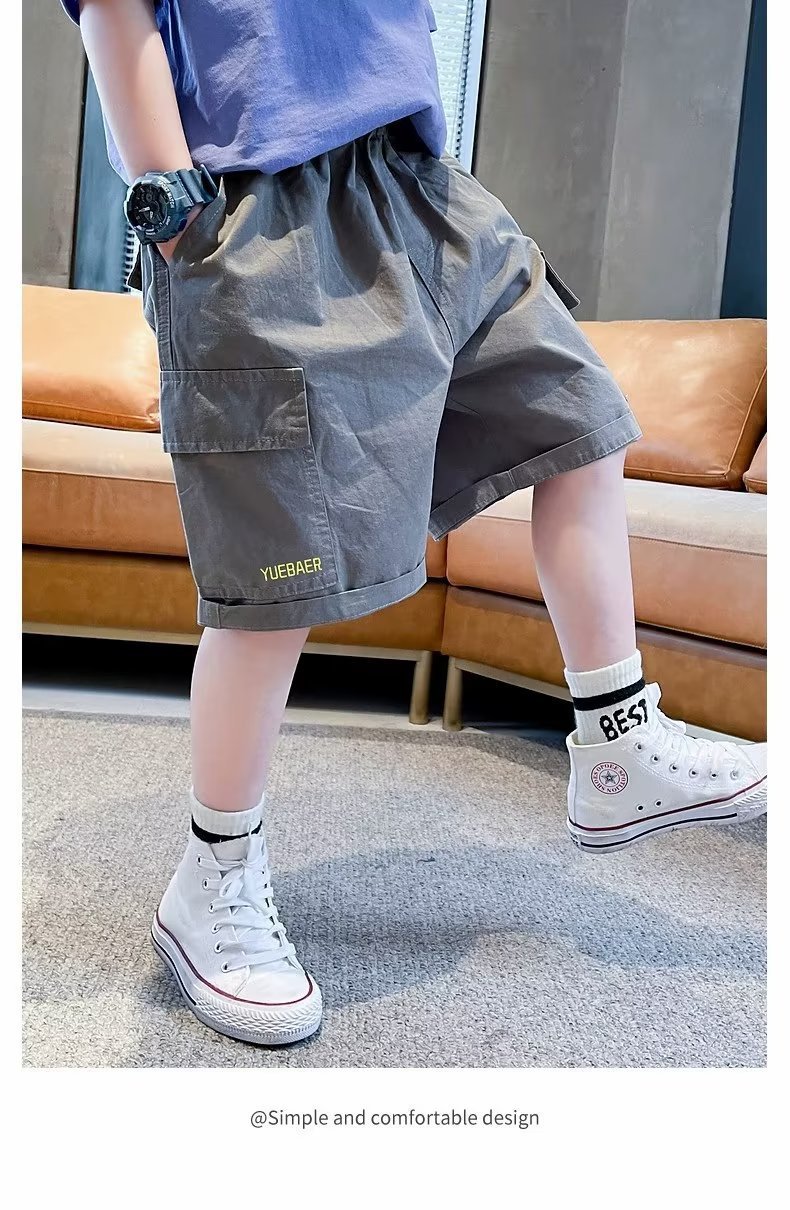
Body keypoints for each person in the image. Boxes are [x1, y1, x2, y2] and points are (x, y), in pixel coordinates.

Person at [63, 0, 767, 1048]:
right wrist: (181, 221)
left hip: (423, 191)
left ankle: (618, 745)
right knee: (277, 579)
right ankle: (213, 875)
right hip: (262, 217)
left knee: (583, 423)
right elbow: (119, 17)